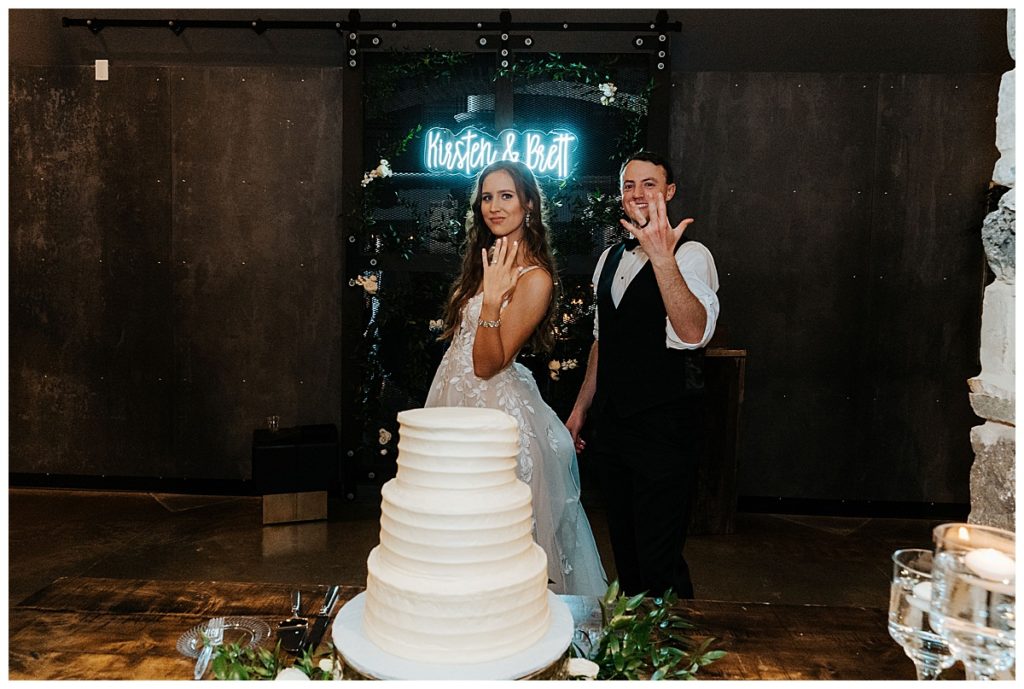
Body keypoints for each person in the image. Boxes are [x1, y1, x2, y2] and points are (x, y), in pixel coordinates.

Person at [425, 159, 608, 596]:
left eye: (506, 196)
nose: (494, 206)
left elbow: (489, 365)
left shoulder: (535, 279)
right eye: (487, 197)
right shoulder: (485, 259)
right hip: (455, 401)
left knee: (495, 532)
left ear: (528, 204)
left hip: (493, 415)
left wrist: (490, 303)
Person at [566, 151, 720, 599]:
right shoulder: (608, 259)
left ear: (668, 193)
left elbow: (692, 333)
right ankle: (637, 658)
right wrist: (580, 410)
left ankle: (675, 657)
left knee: (660, 561)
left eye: (649, 184)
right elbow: (603, 341)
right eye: (629, 185)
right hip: (614, 428)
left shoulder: (692, 256)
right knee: (628, 558)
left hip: (665, 431)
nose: (638, 193)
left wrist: (661, 258)